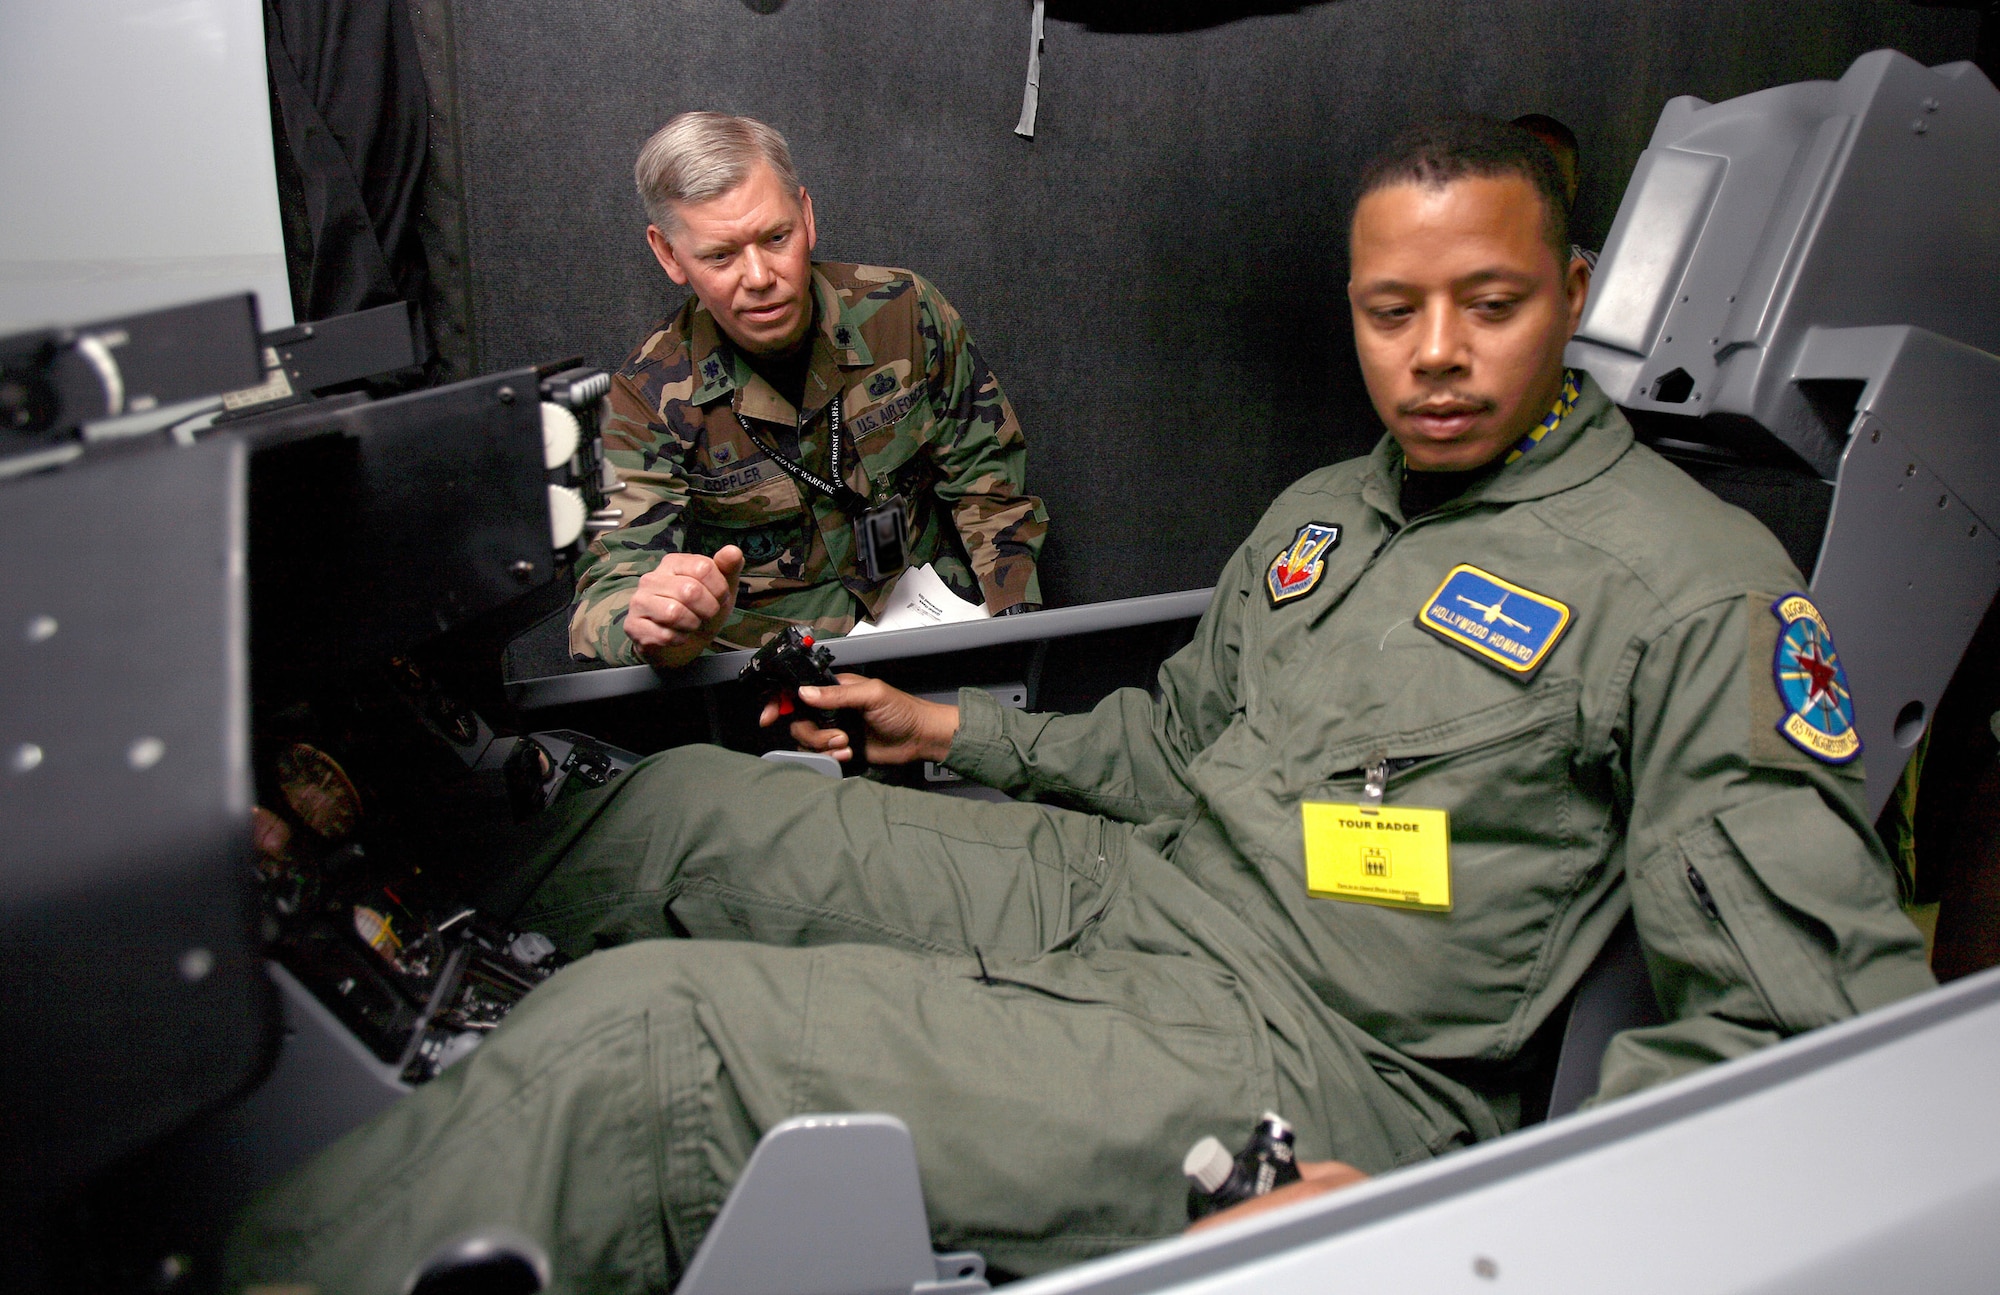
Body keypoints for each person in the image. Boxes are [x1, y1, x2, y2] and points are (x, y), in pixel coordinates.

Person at [227, 117, 1931, 1291]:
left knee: (659, 1048)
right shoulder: (1332, 512)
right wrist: (952, 732)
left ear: (1567, 298)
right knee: (671, 813)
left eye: (1488, 305)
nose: (1433, 353)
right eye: (1388, 308)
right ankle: (354, 969)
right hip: (1142, 891)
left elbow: (1806, 1032)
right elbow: (1174, 747)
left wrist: (1485, 1224)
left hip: (1329, 1054)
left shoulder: (1691, 587)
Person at [568, 112, 1049, 669]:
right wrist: (651, 624)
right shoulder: (643, 399)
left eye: (776, 237)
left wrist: (1015, 632)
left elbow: (988, 486)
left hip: (933, 642)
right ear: (670, 254)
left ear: (807, 215)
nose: (759, 276)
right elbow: (601, 599)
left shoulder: (903, 311)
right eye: (720, 256)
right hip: (774, 684)